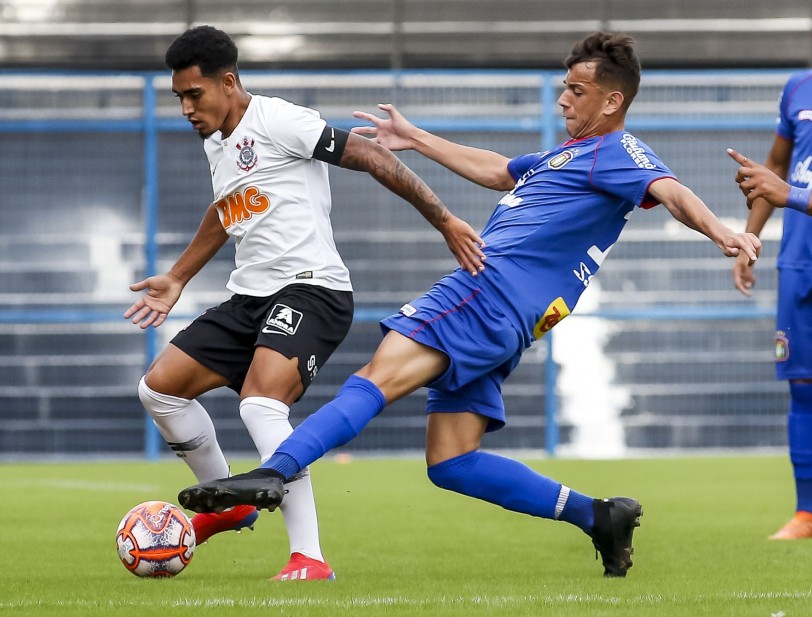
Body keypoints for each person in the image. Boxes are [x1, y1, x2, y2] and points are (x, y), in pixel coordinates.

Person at [177, 31, 763, 578]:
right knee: (452, 461)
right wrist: (417, 138)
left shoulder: (616, 152)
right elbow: (497, 170)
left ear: (612, 102)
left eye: (576, 91)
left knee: (375, 377)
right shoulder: (567, 157)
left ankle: (272, 474)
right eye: (564, 87)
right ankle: (599, 516)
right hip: (511, 317)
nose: (563, 100)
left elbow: (671, 191)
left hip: (485, 291)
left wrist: (722, 232)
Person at [124, 25, 485, 581]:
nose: (186, 108)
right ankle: (232, 501)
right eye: (179, 97)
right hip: (250, 296)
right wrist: (177, 276)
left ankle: (309, 557)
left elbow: (368, 155)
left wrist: (445, 220)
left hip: (312, 290)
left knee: (260, 404)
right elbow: (226, 210)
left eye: (194, 95)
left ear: (228, 81)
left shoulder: (280, 120)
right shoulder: (217, 140)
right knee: (159, 389)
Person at [728, 68, 812, 540]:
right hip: (802, 261)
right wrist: (749, 238)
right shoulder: (799, 87)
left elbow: (786, 187)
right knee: (803, 386)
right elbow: (776, 168)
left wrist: (792, 195)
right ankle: (807, 514)